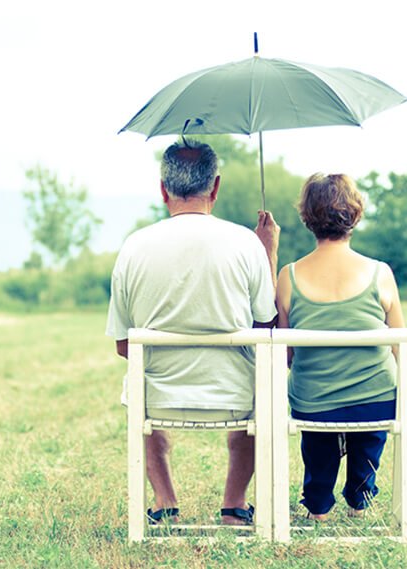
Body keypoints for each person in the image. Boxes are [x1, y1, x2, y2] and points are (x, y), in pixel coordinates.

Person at [106, 139, 279, 525]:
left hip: (158, 398)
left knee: (135, 384)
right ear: (215, 187)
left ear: (163, 189)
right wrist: (268, 253)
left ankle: (164, 501)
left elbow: (122, 344)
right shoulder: (246, 243)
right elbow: (267, 327)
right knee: (259, 382)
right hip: (234, 396)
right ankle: (234, 504)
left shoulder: (133, 247)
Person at [275, 173, 406, 520]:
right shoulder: (381, 273)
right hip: (374, 404)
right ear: (356, 214)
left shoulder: (288, 277)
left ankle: (317, 500)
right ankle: (361, 493)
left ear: (307, 217)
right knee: (370, 431)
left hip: (314, 404)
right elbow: (400, 347)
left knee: (318, 442)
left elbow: (286, 355)